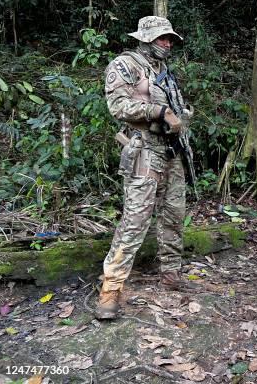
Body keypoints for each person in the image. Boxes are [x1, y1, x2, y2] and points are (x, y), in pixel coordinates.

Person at [95, 16, 197, 320]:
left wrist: (181, 116)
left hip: (172, 151)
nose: (167, 44)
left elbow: (175, 111)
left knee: (174, 214)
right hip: (144, 151)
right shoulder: (126, 65)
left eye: (169, 39)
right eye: (162, 38)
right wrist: (160, 110)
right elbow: (118, 106)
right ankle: (110, 288)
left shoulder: (164, 71)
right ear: (145, 38)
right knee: (135, 221)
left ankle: (171, 274)